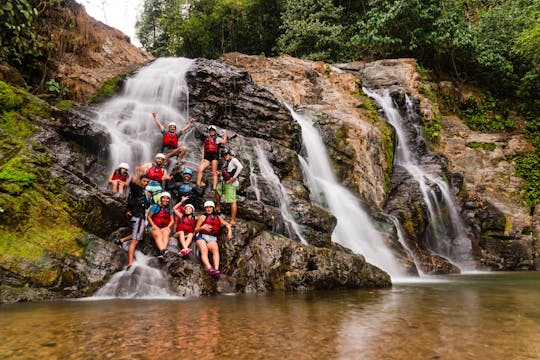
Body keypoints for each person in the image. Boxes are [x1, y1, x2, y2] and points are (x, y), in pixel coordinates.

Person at [118, 171, 151, 268]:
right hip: (138, 217)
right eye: (144, 181)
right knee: (135, 241)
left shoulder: (144, 193)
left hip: (139, 216)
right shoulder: (138, 189)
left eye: (147, 182)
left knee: (143, 232)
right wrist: (137, 172)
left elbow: (146, 206)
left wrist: (148, 197)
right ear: (140, 181)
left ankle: (121, 240)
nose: (146, 183)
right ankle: (130, 263)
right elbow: (132, 184)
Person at [194, 200, 232, 277]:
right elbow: (195, 230)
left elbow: (227, 224)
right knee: (204, 250)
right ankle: (209, 268)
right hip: (201, 236)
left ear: (213, 208)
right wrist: (202, 227)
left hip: (212, 237)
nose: (208, 209)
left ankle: (216, 269)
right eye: (207, 207)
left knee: (215, 249)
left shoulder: (218, 217)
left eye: (210, 207)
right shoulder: (202, 217)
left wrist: (229, 231)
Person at [215, 148, 243, 225]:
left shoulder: (234, 160)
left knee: (232, 201)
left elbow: (240, 167)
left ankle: (233, 220)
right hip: (225, 182)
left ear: (229, 154)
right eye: (224, 155)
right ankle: (218, 206)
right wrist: (219, 173)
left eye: (226, 154)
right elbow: (226, 173)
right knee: (217, 190)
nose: (225, 156)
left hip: (231, 184)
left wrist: (234, 178)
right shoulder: (226, 163)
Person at [196, 125, 227, 192]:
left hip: (214, 156)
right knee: (200, 169)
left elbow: (224, 142)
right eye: (210, 130)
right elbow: (204, 149)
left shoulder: (217, 138)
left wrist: (225, 134)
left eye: (213, 130)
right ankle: (198, 184)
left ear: (215, 131)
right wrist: (202, 158)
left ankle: (214, 187)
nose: (211, 132)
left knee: (214, 172)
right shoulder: (207, 139)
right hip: (207, 157)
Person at [147, 191, 174, 258]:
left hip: (163, 227)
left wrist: (168, 227)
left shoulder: (169, 209)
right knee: (158, 233)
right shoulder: (155, 207)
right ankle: (163, 250)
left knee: (166, 233)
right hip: (153, 227)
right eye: (164, 198)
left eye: (167, 198)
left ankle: (162, 252)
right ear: (161, 199)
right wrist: (154, 226)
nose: (165, 200)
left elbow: (172, 220)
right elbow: (148, 217)